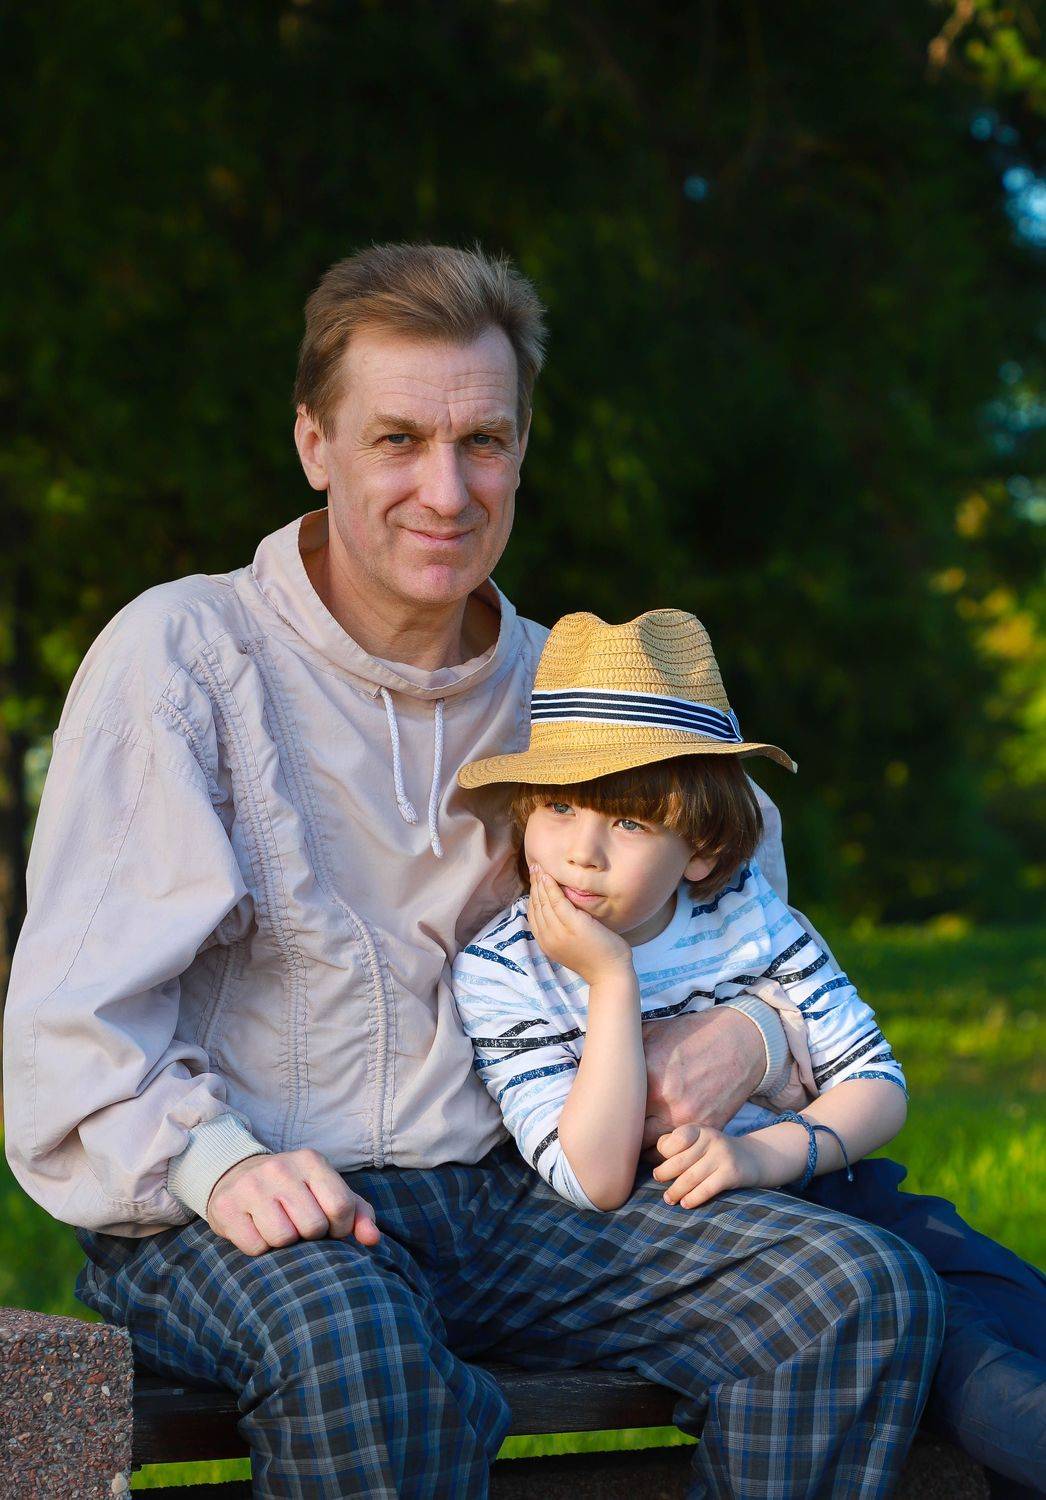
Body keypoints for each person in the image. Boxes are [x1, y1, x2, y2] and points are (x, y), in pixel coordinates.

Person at [3, 241, 962, 1498]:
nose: (446, 490)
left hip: (518, 1201)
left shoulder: (572, 689)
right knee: (362, 1362)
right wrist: (214, 1162)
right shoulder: (184, 657)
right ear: (314, 444)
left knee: (849, 1295)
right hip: (251, 1200)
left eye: (483, 443)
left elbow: (744, 909)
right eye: (397, 440)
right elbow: (74, 1023)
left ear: (521, 449)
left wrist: (754, 1032)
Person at [453, 607, 1046, 1499]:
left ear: (700, 849)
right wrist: (610, 980)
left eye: (629, 824)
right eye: (562, 808)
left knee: (1020, 1306)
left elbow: (876, 1083)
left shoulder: (748, 918)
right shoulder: (507, 968)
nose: (582, 852)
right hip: (705, 1239)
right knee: (980, 1369)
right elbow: (596, 1179)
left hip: (819, 1179)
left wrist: (765, 1154)